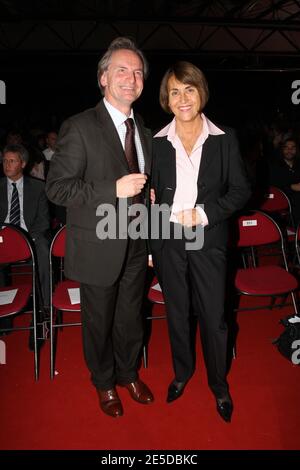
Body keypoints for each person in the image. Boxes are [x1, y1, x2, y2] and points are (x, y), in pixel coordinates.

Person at [46, 37, 153, 418]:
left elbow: (140, 185)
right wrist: (114, 190)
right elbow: (57, 187)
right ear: (103, 78)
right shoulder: (79, 126)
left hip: (137, 243)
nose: (131, 78)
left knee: (130, 317)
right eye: (122, 70)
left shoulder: (141, 127)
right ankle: (104, 382)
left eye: (138, 72)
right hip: (98, 246)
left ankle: (128, 373)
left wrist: (148, 200)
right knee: (99, 321)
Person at [150, 61, 251, 423]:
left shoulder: (225, 138)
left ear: (201, 92)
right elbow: (151, 198)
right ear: (167, 99)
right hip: (169, 240)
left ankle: (219, 385)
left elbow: (241, 190)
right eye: (174, 92)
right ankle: (182, 374)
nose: (182, 98)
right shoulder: (157, 142)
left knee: (214, 316)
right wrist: (150, 245)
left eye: (188, 89)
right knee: (177, 313)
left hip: (207, 238)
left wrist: (206, 213)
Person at [0, 144, 51, 344]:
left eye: (12, 161)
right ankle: (4, 314)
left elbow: (44, 221)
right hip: (3, 238)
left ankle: (43, 311)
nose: (6, 164)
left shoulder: (37, 187)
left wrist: (27, 238)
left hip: (30, 238)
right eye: (4, 160)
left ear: (22, 163)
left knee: (44, 248)